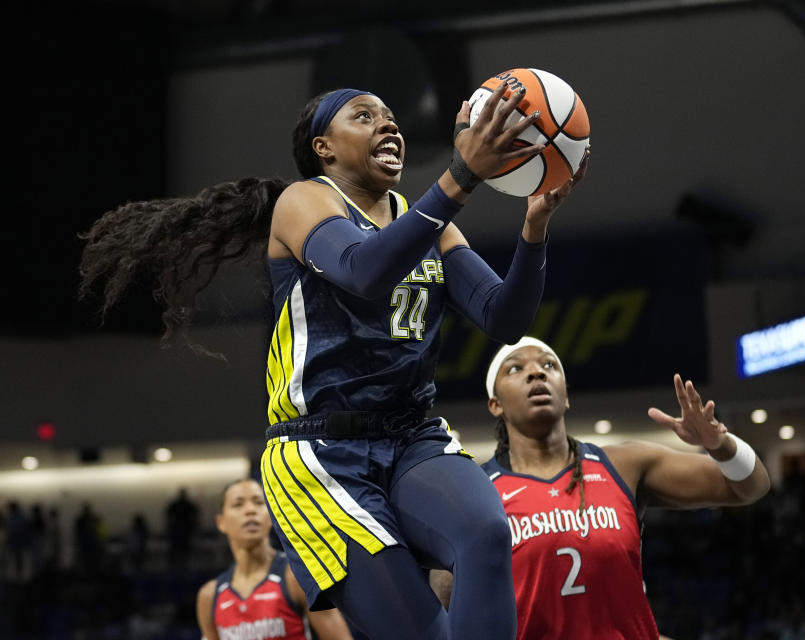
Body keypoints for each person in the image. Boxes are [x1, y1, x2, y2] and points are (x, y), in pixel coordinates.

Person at [79, 81, 588, 640]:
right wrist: (459, 178)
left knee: (487, 532)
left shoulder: (425, 221)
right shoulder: (304, 201)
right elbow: (363, 273)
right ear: (324, 147)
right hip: (320, 454)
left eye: (392, 117)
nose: (388, 125)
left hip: (412, 436)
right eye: (364, 117)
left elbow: (504, 319)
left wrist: (534, 229)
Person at [466, 336, 770, 639]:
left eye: (549, 365)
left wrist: (721, 445)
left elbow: (751, 487)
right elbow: (446, 603)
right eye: (515, 369)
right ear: (495, 404)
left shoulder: (623, 464)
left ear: (566, 395)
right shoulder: (478, 492)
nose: (537, 372)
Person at [196, 478, 353, 640]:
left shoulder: (297, 576)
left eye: (258, 502)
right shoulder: (209, 596)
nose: (250, 510)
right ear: (221, 522)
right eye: (238, 504)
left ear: (271, 515)